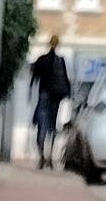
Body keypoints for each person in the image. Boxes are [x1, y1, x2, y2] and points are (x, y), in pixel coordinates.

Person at [28, 38, 73, 168]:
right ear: (58, 44)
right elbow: (65, 79)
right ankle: (51, 157)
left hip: (44, 95)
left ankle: (42, 155)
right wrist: (68, 95)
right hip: (56, 97)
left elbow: (34, 78)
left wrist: (30, 94)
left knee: (42, 125)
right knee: (52, 125)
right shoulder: (61, 61)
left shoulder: (41, 60)